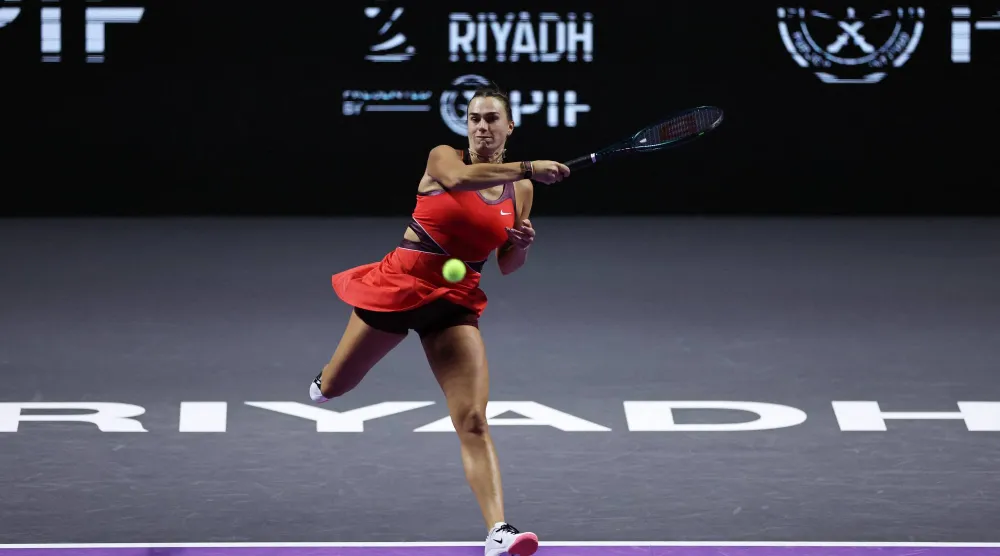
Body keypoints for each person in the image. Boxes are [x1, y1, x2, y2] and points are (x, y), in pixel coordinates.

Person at [308, 84, 570, 556]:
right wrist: (532, 165)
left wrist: (523, 245)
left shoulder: (521, 190)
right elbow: (458, 183)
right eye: (474, 118)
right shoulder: (443, 158)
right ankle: (324, 382)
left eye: (492, 119)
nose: (482, 127)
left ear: (509, 126)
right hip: (400, 285)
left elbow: (508, 264)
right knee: (336, 386)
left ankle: (498, 531)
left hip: (454, 299)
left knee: (472, 418)